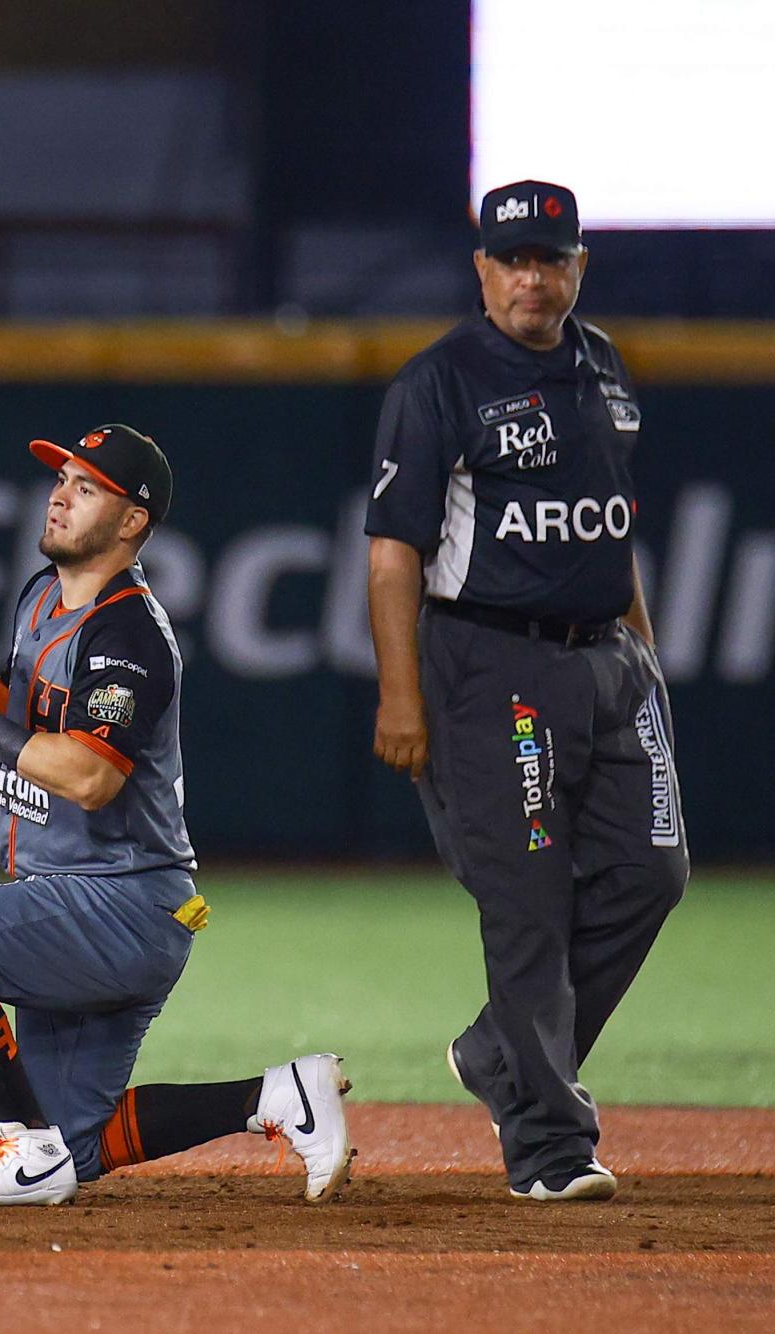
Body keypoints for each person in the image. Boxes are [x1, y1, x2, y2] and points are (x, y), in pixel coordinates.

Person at [0, 424, 355, 1207]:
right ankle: (276, 1097)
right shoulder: (39, 595)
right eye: (62, 478)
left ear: (133, 520)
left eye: (87, 486)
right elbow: (35, 725)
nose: (61, 493)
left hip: (119, 902)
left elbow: (91, 777)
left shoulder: (129, 631)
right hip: (75, 896)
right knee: (80, 1144)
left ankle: (21, 1147)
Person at [365, 180, 688, 1202]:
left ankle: (499, 1052)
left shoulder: (601, 366)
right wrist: (400, 696)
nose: (530, 277)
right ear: (479, 269)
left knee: (651, 871)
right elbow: (389, 554)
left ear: (577, 267)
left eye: (549, 258)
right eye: (511, 259)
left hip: (607, 659)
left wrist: (643, 651)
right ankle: (548, 1147)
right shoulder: (440, 381)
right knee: (527, 901)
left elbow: (612, 525)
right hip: (492, 662)